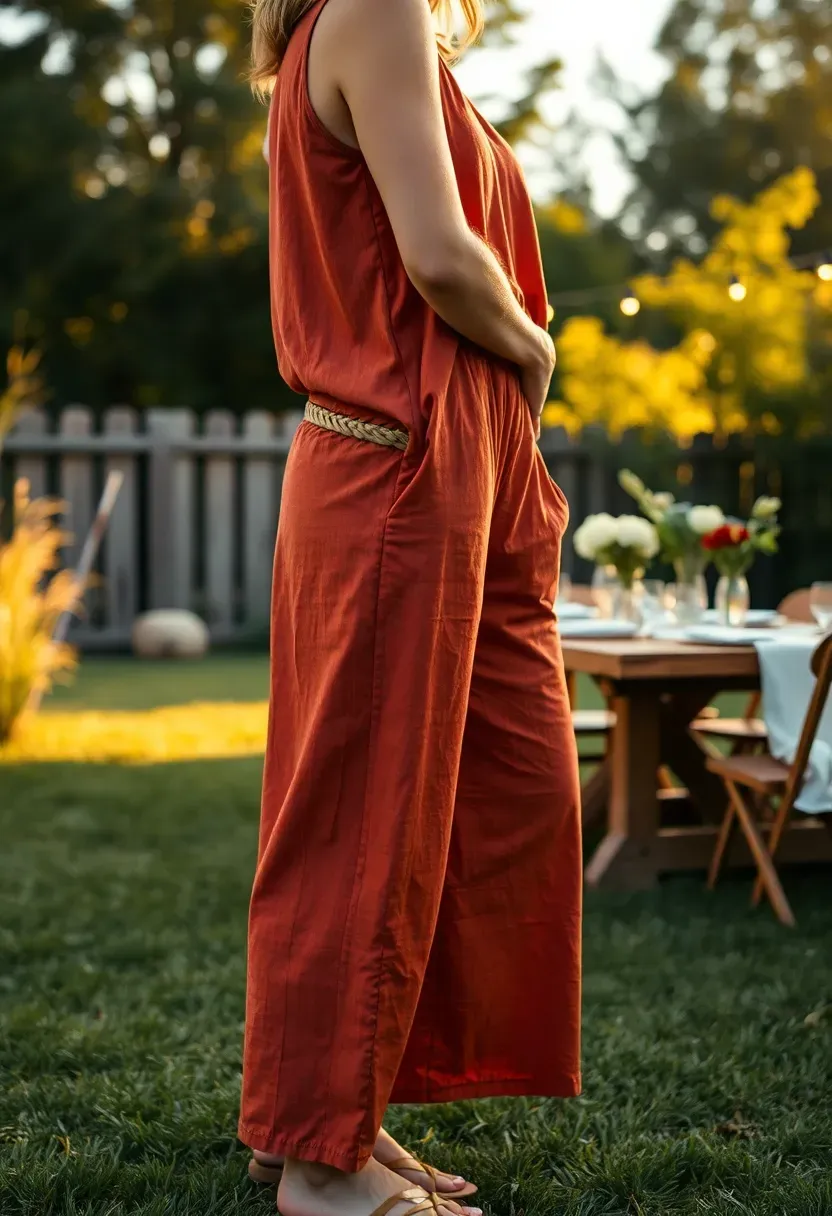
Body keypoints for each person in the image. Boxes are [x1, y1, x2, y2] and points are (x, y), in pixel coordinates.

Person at [238, 1, 583, 1214]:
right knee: (366, 818)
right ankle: (319, 1169)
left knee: (460, 794)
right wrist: (533, 350)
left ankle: (333, 1115)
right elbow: (436, 254)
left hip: (439, 458)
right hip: (401, 454)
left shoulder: (370, 28)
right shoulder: (372, 5)